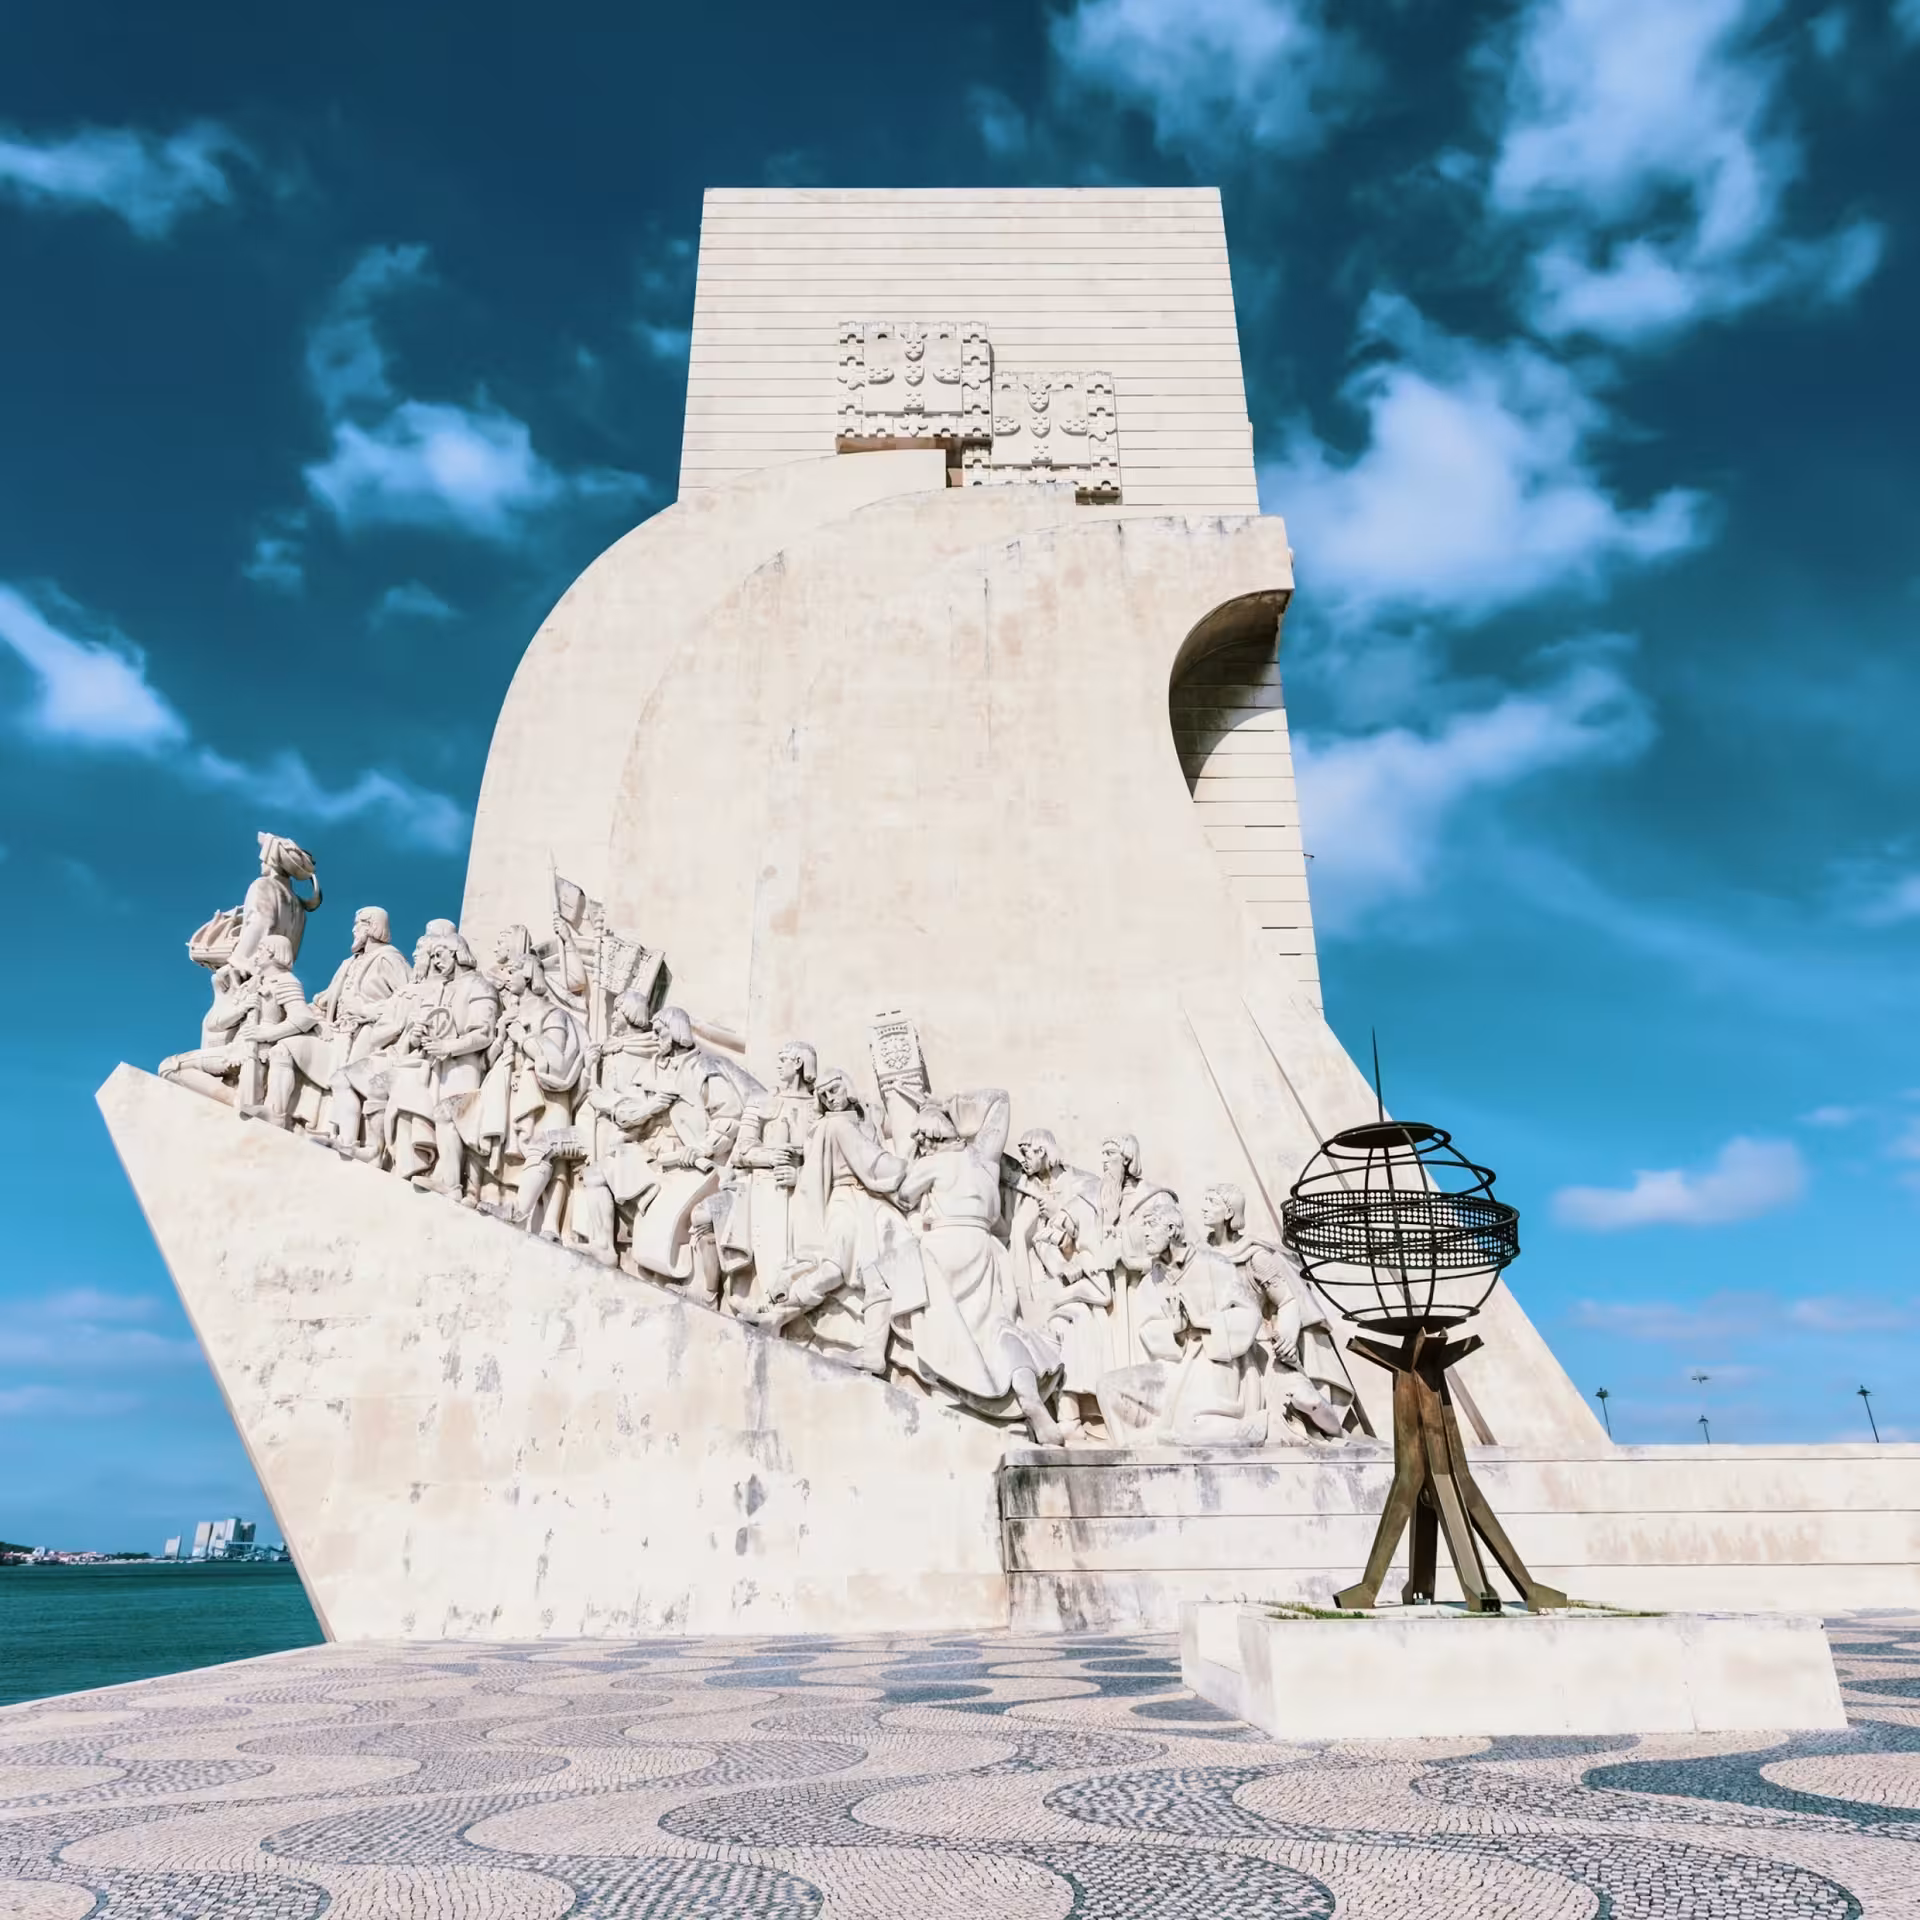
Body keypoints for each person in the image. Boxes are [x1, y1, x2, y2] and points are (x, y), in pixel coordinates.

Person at [892, 1090, 1066, 1445]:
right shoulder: (984, 1159)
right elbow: (1001, 1100)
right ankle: (1030, 1398)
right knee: (1000, 1328)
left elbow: (903, 1195)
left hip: (946, 1247)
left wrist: (916, 1148)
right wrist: (946, 1105)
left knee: (899, 1287)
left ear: (929, 1140)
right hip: (988, 1252)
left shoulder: (931, 1163)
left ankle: (947, 1384)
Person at [746, 1068, 908, 1373]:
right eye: (823, 1095)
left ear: (847, 1085)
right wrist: (907, 1171)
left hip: (872, 1204)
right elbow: (871, 1164)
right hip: (845, 1199)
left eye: (833, 1090)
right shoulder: (833, 1126)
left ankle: (873, 1352)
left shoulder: (864, 1122)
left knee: (880, 1275)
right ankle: (780, 1312)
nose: (830, 1098)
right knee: (834, 1268)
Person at [1201, 1182, 1354, 1439]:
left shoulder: (1254, 1256)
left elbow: (1287, 1300)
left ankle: (1335, 1434)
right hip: (1215, 1345)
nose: (1204, 1208)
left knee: (1308, 1401)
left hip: (1259, 1346)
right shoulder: (1200, 1254)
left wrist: (1287, 1338)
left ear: (1229, 1213)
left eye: (1212, 1203)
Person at [229, 833, 322, 977]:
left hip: (252, 965)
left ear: (272, 860)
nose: (262, 862)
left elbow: (261, 922)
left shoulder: (264, 885)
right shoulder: (298, 905)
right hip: (277, 971)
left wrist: (239, 957)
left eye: (263, 858)